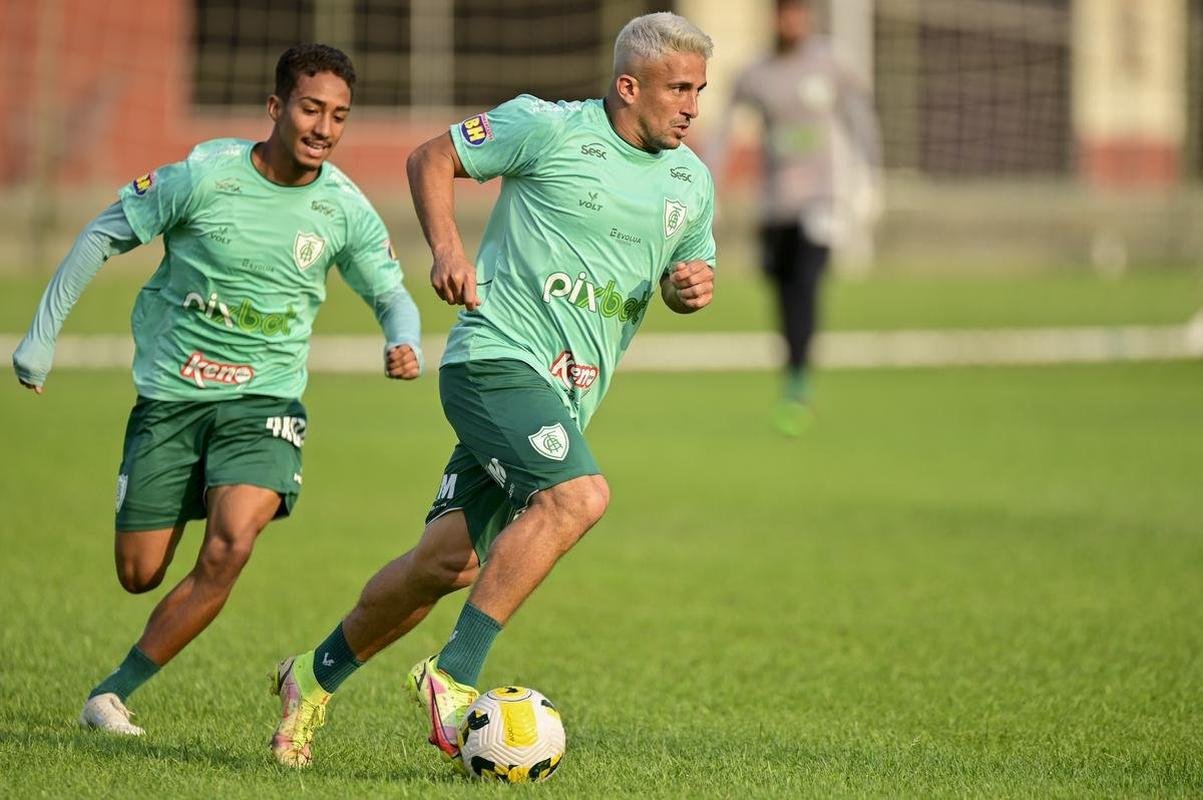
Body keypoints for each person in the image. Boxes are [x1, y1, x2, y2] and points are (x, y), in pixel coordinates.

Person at [266, 11, 716, 770]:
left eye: (699, 90)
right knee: (578, 497)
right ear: (628, 85)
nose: (692, 106)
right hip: (495, 361)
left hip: (564, 397)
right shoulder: (545, 127)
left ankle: (308, 679)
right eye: (678, 88)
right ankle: (453, 674)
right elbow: (430, 157)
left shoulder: (689, 181)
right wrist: (447, 247)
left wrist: (689, 287)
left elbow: (685, 273)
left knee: (445, 563)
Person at [11, 44, 422, 736]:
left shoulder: (342, 207)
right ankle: (199, 485)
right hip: (171, 401)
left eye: (339, 116)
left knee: (232, 543)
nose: (324, 127)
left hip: (265, 404)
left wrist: (401, 336)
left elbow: (391, 292)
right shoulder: (204, 175)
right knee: (139, 572)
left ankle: (111, 695)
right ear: (275, 107)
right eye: (311, 108)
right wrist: (39, 338)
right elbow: (101, 236)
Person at [710, 0, 881, 436]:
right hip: (775, 204)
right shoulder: (756, 74)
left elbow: (860, 119)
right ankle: (793, 372)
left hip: (821, 200)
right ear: (775, 19)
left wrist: (870, 179)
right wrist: (710, 186)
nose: (793, 21)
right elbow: (725, 132)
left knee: (806, 285)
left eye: (800, 13)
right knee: (781, 288)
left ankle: (799, 384)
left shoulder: (830, 63)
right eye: (786, 13)